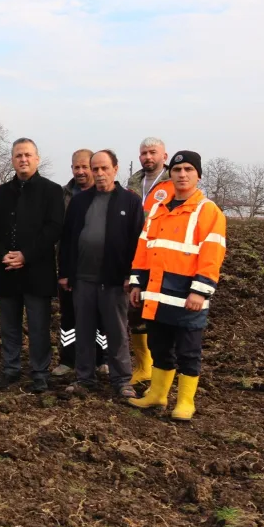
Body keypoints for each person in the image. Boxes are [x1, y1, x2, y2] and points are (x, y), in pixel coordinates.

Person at [128, 151, 226, 420]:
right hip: (157, 293)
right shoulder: (159, 209)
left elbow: (212, 255)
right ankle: (157, 395)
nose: (182, 174)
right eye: (177, 170)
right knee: (160, 347)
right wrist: (137, 282)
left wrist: (200, 290)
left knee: (188, 351)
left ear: (198, 175)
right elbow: (143, 248)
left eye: (188, 169)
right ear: (169, 175)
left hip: (187, 296)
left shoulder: (208, 211)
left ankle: (185, 402)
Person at [58, 151, 144, 399]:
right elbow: (68, 239)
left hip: (115, 280)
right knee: (83, 329)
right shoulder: (80, 201)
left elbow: (138, 241)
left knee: (116, 331)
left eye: (104, 168)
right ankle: (85, 378)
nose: (99, 173)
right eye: (95, 169)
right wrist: (65, 273)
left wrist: (132, 275)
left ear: (116, 169)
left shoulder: (129, 201)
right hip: (83, 278)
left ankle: (122, 379)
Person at [0, 138, 64, 393]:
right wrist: (4, 255)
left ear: (37, 158)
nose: (23, 159)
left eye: (28, 155)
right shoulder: (3, 192)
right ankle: (10, 368)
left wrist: (25, 255)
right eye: (18, 155)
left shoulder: (52, 190)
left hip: (36, 271)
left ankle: (39, 372)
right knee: (8, 325)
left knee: (39, 326)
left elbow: (53, 229)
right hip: (7, 270)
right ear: (12, 160)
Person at [54, 149, 108, 378]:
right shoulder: (63, 195)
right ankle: (67, 359)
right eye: (76, 167)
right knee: (68, 315)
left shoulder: (107, 195)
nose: (81, 171)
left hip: (98, 265)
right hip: (69, 263)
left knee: (101, 315)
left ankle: (101, 360)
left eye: (85, 167)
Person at [126, 137, 172, 387]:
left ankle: (161, 367)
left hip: (163, 256)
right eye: (143, 153)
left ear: (164, 156)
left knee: (160, 314)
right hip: (136, 254)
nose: (147, 157)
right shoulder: (133, 182)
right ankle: (144, 367)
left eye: (153, 152)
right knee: (136, 312)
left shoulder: (173, 181)